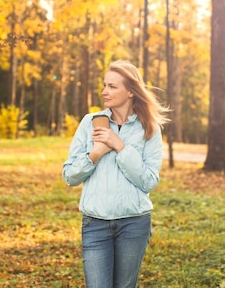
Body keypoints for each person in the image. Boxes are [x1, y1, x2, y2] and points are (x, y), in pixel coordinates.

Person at [62, 60, 169, 288]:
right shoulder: (89, 123)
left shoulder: (149, 128)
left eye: (112, 86)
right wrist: (96, 153)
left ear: (130, 91)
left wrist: (120, 146)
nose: (104, 91)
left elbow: (149, 181)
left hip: (134, 224)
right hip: (95, 224)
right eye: (104, 85)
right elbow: (70, 176)